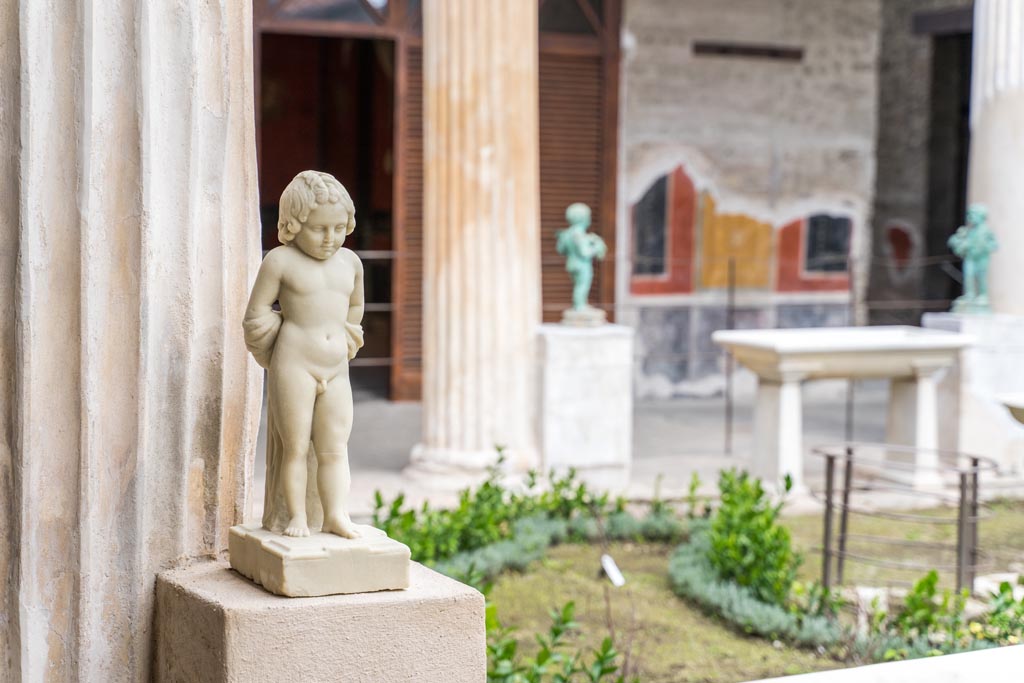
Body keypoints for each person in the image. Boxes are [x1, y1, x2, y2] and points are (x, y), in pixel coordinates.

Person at [243, 170, 365, 538]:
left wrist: (348, 335)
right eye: (319, 229)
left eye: (339, 228)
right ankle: (295, 517)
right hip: (295, 364)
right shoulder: (280, 261)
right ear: (294, 225)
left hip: (336, 368)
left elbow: (355, 306)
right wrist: (273, 342)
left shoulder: (350, 263)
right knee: (294, 446)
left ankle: (336, 514)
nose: (330, 238)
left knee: (333, 447)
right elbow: (256, 314)